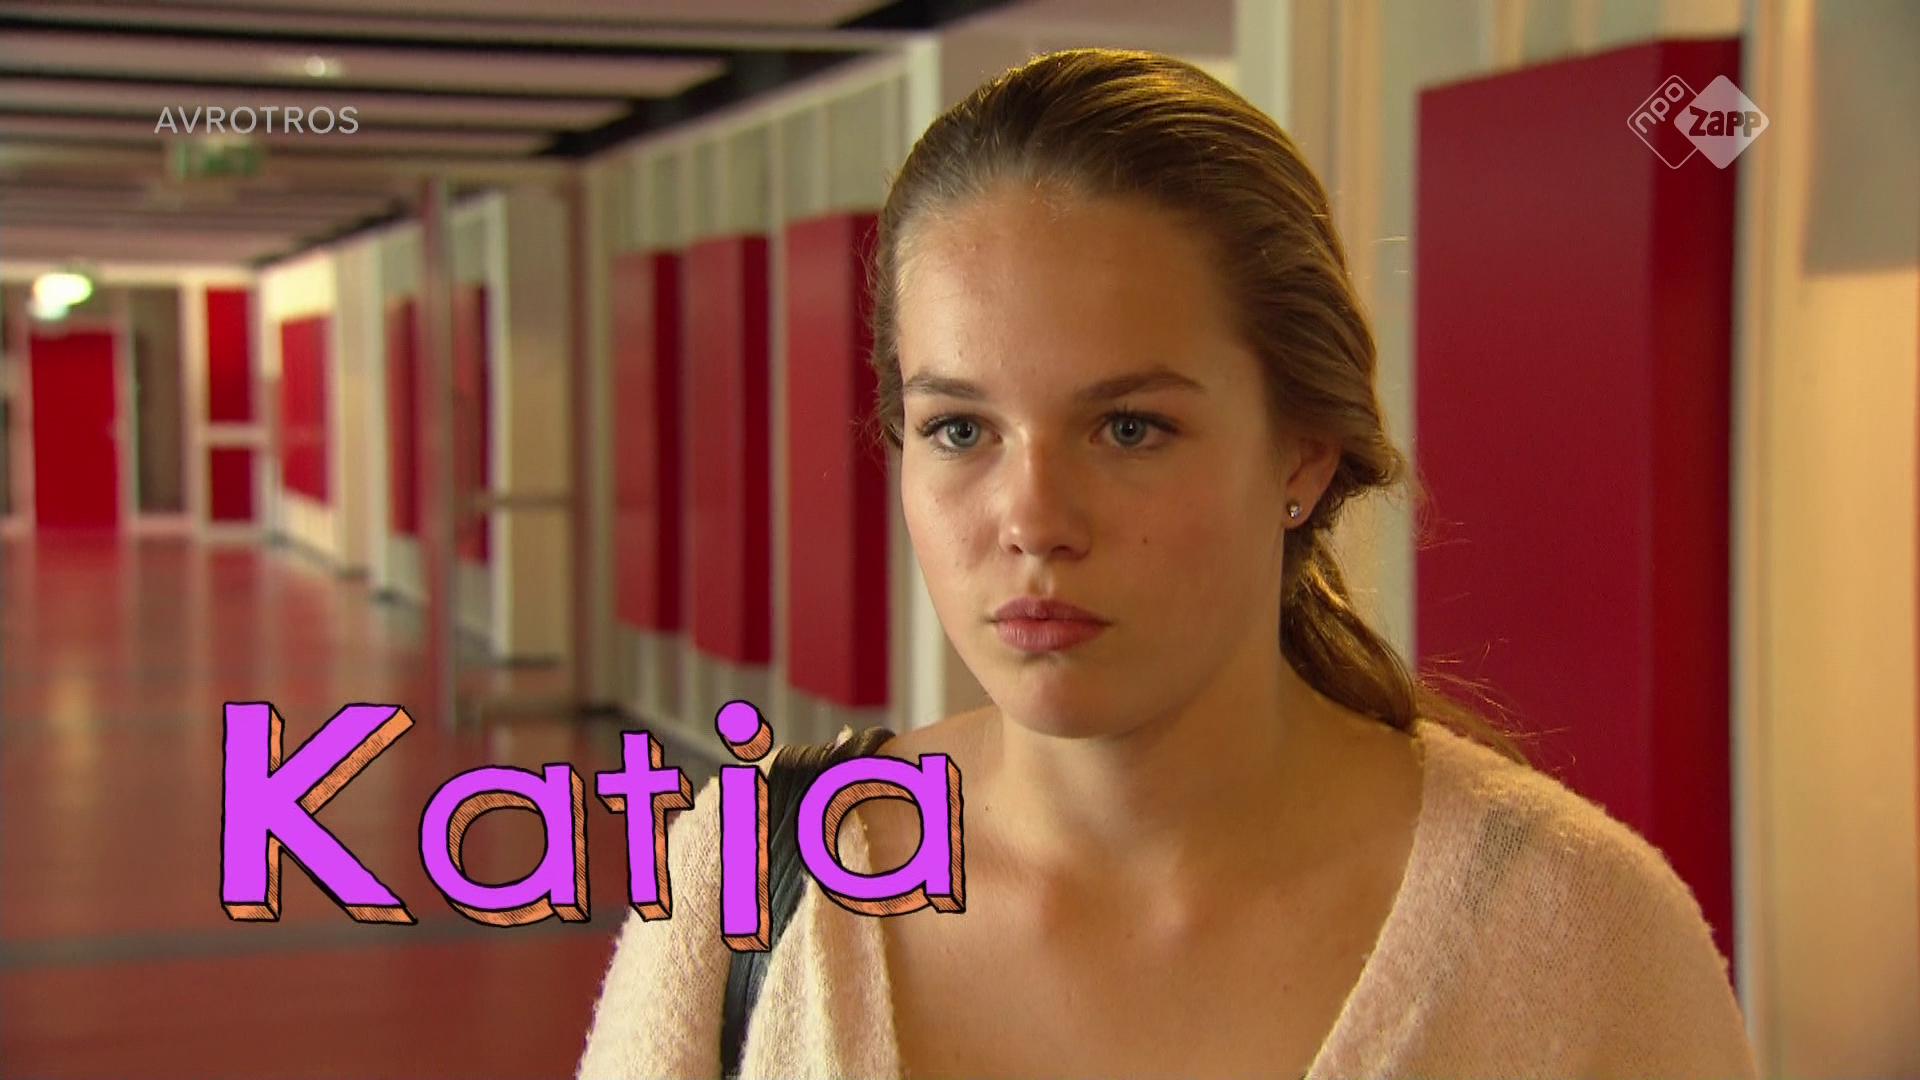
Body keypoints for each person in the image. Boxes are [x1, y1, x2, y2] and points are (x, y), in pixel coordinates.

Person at [577, 48, 1759, 1080]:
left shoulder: (1578, 934)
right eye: (961, 428)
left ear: (1302, 452)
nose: (1033, 519)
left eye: (1130, 427)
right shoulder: (746, 881)